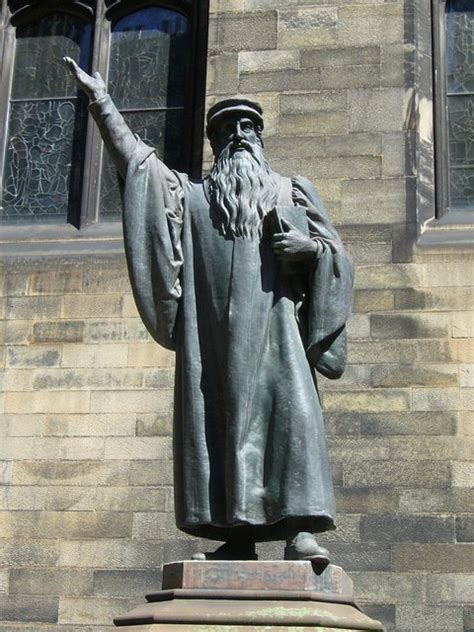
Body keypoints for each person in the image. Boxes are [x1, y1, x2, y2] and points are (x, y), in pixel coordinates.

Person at [64, 57, 353, 566]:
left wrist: (312, 253)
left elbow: (337, 255)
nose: (239, 135)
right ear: (214, 143)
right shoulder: (191, 197)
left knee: (294, 419)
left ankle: (301, 530)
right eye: (227, 129)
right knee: (218, 426)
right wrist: (103, 103)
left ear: (260, 137)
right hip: (213, 342)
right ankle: (236, 534)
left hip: (279, 337)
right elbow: (137, 164)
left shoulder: (292, 192)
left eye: (248, 127)